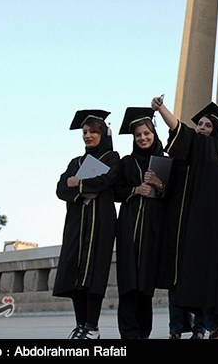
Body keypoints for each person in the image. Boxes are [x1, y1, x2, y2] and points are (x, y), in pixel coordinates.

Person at [152, 95, 218, 339]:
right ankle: (212, 325)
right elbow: (182, 131)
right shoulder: (207, 146)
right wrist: (162, 110)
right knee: (208, 275)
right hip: (207, 227)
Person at [54, 109, 120, 340]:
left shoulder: (112, 158)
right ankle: (80, 325)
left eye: (93, 131)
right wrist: (84, 189)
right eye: (85, 132)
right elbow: (61, 189)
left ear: (103, 134)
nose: (88, 136)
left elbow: (107, 179)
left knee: (93, 275)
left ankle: (93, 326)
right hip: (76, 225)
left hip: (100, 225)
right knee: (74, 275)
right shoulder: (76, 162)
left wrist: (79, 184)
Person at [161, 102, 218, 339]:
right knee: (175, 277)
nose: (202, 128)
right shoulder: (178, 160)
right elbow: (168, 190)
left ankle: (200, 327)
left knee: (201, 277)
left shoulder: (214, 160)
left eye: (208, 125)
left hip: (201, 228)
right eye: (200, 124)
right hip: (177, 225)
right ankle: (175, 327)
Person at [113, 107, 168, 339]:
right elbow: (115, 190)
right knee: (128, 284)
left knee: (146, 285)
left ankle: (143, 333)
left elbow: (171, 194)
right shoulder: (126, 162)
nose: (143, 138)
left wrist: (158, 183)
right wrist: (135, 190)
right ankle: (128, 334)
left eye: (147, 133)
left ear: (154, 135)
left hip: (153, 230)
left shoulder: (164, 162)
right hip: (128, 228)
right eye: (138, 135)